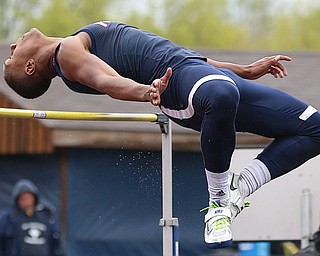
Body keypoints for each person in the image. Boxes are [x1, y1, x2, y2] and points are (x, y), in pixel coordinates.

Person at [3, 21, 320, 249]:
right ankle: (219, 202)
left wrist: (244, 70)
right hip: (178, 88)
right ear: (30, 67)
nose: (12, 47)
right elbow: (106, 80)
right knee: (221, 94)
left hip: (200, 73)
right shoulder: (67, 54)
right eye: (11, 57)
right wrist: (145, 92)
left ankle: (240, 189)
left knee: (314, 128)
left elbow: (179, 56)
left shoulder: (74, 42)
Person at [0, 179, 64, 255]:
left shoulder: (46, 216)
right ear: (17, 199)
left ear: (34, 197)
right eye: (22, 197)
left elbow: (56, 244)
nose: (25, 198)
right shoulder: (9, 217)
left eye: (28, 195)